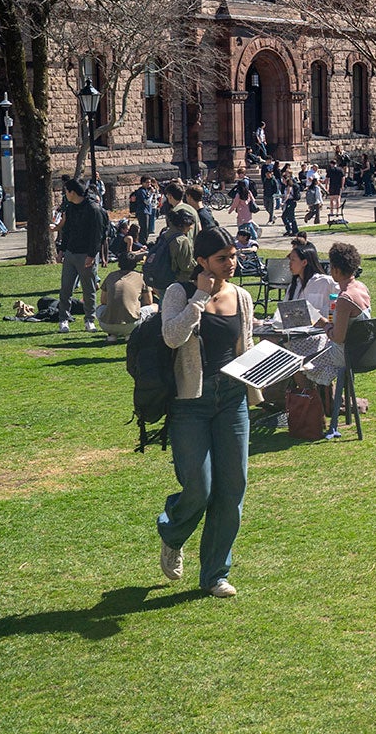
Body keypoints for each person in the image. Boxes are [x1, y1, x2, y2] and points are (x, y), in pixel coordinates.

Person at [156, 226, 255, 598]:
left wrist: (269, 367)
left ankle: (215, 574)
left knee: (232, 489)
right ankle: (173, 532)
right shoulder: (178, 293)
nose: (232, 263)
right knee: (199, 487)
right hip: (190, 403)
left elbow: (243, 348)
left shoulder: (242, 297)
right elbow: (172, 336)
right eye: (222, 258)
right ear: (201, 261)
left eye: (233, 256)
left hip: (232, 399)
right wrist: (200, 295)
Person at [295, 243, 372, 421]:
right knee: (311, 348)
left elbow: (338, 337)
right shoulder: (360, 287)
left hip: (346, 355)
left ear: (335, 269)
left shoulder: (345, 298)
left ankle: (315, 410)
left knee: (298, 360)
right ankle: (324, 403)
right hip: (364, 351)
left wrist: (324, 324)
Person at [53, 177, 109, 333]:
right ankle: (63, 319)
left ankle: (89, 320)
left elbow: (98, 235)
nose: (65, 194)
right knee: (66, 288)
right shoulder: (70, 208)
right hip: (71, 253)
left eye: (66, 191)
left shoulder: (94, 209)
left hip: (86, 255)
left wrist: (91, 255)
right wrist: (62, 250)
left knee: (89, 289)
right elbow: (67, 231)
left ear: (72, 192)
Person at [98, 252, 156, 341]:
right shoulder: (141, 277)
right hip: (132, 324)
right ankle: (131, 333)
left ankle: (112, 335)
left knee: (100, 308)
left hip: (107, 325)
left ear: (119, 263)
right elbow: (149, 301)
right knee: (155, 307)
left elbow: (103, 301)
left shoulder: (111, 276)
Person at [284, 240, 335, 314]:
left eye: (293, 260)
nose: (290, 264)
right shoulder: (294, 286)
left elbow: (338, 306)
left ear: (304, 262)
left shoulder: (325, 282)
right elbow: (283, 312)